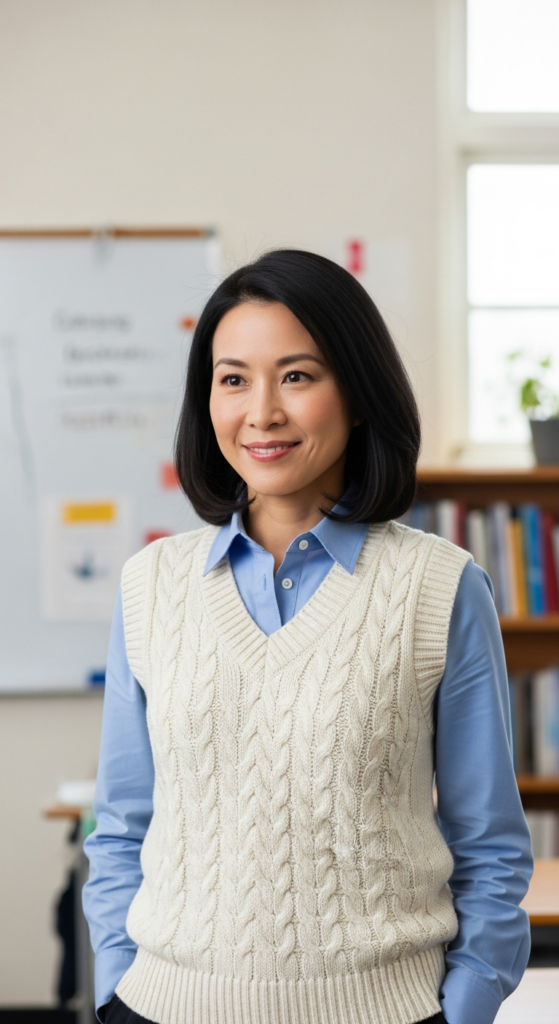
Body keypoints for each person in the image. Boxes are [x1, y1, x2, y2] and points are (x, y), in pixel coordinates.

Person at [83, 249, 533, 1024]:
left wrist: (467, 1004)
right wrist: (117, 983)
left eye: (296, 375)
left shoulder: (440, 587)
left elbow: (488, 842)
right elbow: (122, 825)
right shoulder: (149, 585)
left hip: (386, 1010)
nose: (261, 412)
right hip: (160, 1005)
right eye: (233, 379)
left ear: (356, 395)